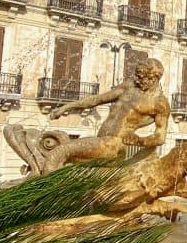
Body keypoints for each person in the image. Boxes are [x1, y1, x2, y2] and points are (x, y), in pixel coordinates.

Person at [42, 58, 170, 172]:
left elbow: (160, 137)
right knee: (60, 152)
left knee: (60, 152)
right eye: (137, 75)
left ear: (153, 78)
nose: (137, 79)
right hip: (101, 141)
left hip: (113, 145)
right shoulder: (129, 87)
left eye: (141, 76)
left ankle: (42, 193)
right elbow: (97, 99)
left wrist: (140, 140)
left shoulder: (159, 103)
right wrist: (66, 107)